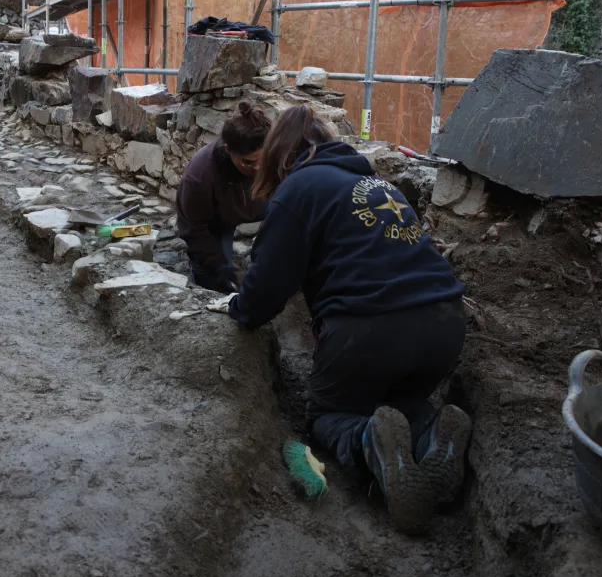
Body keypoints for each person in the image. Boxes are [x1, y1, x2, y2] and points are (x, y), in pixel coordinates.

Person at [227, 105, 470, 533]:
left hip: (369, 328)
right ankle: (432, 432)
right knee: (397, 401)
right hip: (445, 325)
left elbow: (266, 287)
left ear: (280, 152)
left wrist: (239, 309)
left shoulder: (299, 188)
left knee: (327, 414)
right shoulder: (379, 184)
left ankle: (369, 446)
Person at [176, 100, 270, 293]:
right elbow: (195, 230)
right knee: (215, 280)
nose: (259, 168)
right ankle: (201, 275)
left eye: (263, 159)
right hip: (215, 222)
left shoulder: (274, 154)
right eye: (248, 162)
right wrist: (219, 266)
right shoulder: (199, 176)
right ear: (228, 150)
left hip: (259, 205)